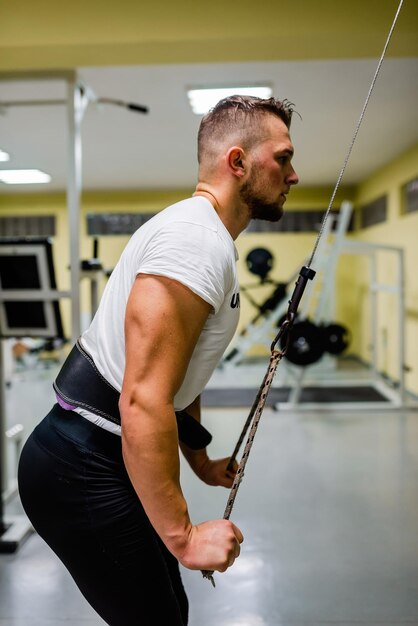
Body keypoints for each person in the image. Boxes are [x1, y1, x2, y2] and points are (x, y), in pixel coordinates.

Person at [17, 95, 299, 626]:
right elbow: (143, 398)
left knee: (170, 611)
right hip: (82, 463)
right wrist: (185, 539)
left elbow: (177, 380)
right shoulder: (194, 243)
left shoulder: (207, 239)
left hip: (107, 454)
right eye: (282, 158)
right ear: (236, 162)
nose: (294, 174)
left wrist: (200, 461)